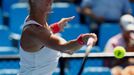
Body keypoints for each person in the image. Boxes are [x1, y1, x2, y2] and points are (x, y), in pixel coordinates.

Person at [19, 0, 97, 75]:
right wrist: (82, 39)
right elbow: (67, 48)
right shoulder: (34, 31)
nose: (50, 0)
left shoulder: (35, 23)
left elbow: (44, 36)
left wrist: (56, 27)